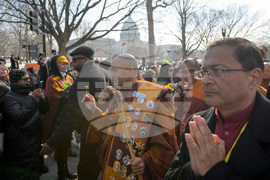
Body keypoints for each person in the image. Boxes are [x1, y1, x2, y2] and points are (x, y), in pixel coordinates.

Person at [165, 37, 270, 180]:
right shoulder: (198, 122)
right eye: (205, 72)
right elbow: (170, 176)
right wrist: (193, 169)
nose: (206, 80)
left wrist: (214, 170)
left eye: (218, 71)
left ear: (254, 78)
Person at [82, 54, 179, 179]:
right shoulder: (119, 94)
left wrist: (144, 161)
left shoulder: (153, 97)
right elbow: (108, 124)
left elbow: (166, 145)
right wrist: (93, 108)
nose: (111, 74)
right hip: (112, 164)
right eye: (111, 70)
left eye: (114, 70)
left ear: (130, 71)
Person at [40, 46, 113, 180]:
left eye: (74, 60)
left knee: (86, 171)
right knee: (98, 167)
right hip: (104, 130)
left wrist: (52, 142)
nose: (71, 63)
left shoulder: (83, 79)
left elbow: (73, 115)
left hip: (90, 132)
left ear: (84, 60)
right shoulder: (105, 73)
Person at [3, 69, 48, 180]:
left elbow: (43, 111)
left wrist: (43, 100)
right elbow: (19, 116)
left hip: (34, 141)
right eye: (25, 79)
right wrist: (32, 98)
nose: (29, 81)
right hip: (19, 143)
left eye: (29, 78)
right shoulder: (10, 97)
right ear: (16, 81)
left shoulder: (29, 92)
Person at [42, 55, 75, 180]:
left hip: (67, 119)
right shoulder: (51, 79)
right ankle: (61, 175)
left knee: (66, 147)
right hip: (56, 120)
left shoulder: (69, 78)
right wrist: (73, 92)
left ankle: (65, 171)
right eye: (62, 63)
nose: (66, 65)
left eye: (67, 63)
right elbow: (58, 96)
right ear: (56, 65)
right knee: (60, 148)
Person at [174, 58, 209, 146]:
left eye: (192, 71)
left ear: (199, 70)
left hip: (200, 134)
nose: (189, 75)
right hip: (183, 131)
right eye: (185, 72)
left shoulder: (205, 85)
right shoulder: (184, 86)